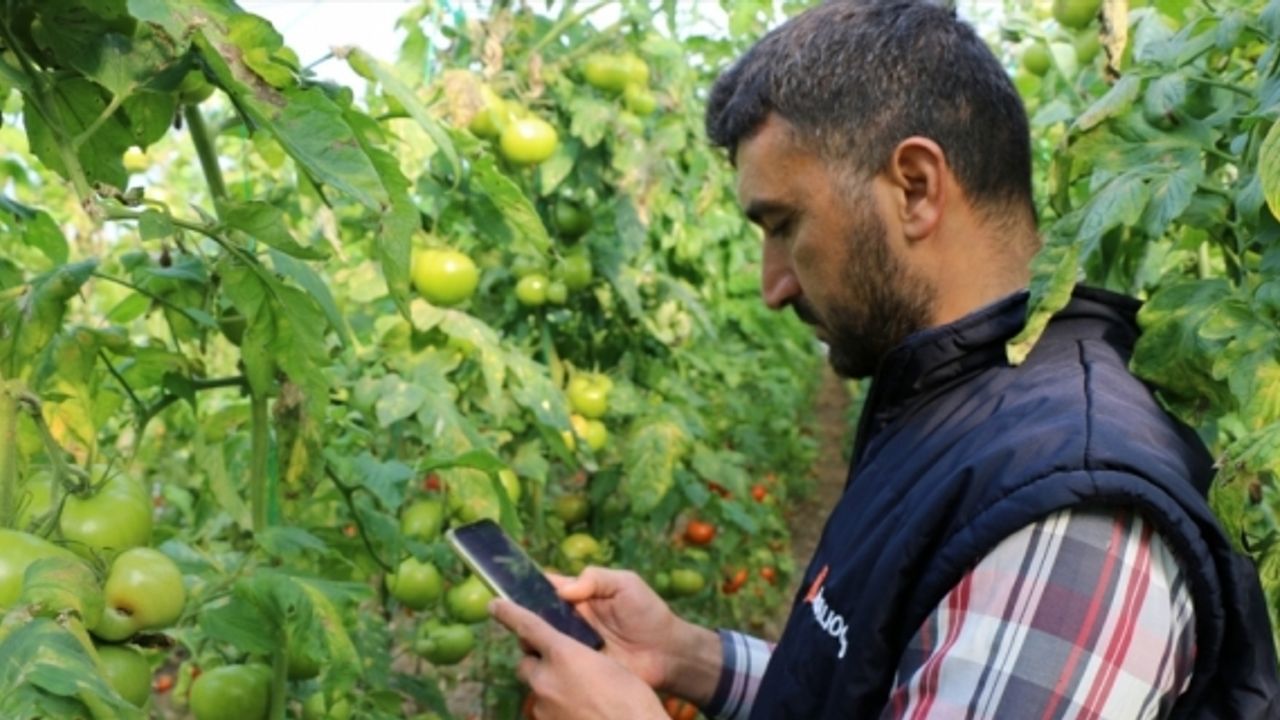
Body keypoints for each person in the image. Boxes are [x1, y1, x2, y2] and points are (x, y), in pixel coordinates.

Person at [491, 1, 1280, 717]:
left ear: (914, 187)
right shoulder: (959, 403)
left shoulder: (1069, 514)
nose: (773, 285)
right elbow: (886, 686)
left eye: (783, 223)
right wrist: (690, 657)